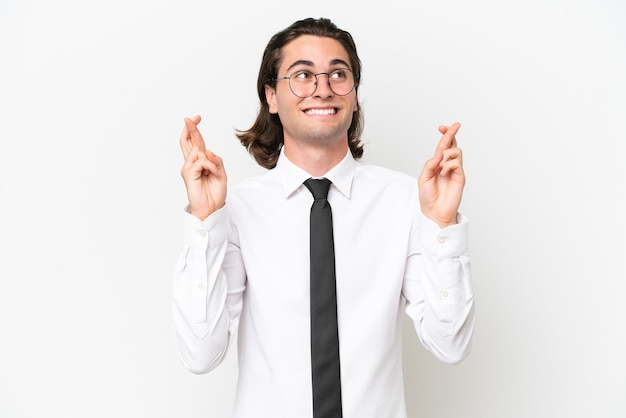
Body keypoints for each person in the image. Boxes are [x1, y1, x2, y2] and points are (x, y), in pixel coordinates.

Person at [173, 17, 475, 418]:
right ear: (271, 97)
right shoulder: (238, 209)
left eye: (338, 74)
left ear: (353, 95)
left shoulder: (406, 199)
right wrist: (206, 222)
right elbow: (200, 353)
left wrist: (441, 225)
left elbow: (450, 343)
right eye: (302, 75)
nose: (323, 88)